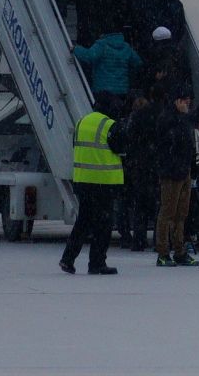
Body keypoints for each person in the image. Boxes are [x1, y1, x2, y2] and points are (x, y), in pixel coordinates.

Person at [60, 103, 126, 276]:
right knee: (103, 225)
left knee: (83, 222)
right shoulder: (109, 125)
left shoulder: (81, 122)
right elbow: (122, 148)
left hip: (83, 180)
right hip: (103, 182)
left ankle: (68, 258)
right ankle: (97, 263)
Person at [153, 87, 199, 267]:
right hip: (171, 171)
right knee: (168, 212)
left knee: (181, 213)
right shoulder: (168, 119)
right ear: (176, 101)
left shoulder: (183, 119)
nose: (187, 102)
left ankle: (179, 250)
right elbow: (172, 140)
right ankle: (163, 252)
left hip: (183, 169)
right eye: (184, 99)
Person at [117, 93, 157, 251]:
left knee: (131, 205)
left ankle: (133, 238)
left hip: (131, 167)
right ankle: (157, 239)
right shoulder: (153, 122)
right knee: (152, 204)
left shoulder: (127, 122)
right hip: (149, 167)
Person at [74, 29, 143, 118]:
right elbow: (138, 62)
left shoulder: (101, 45)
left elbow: (89, 56)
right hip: (122, 91)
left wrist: (76, 49)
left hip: (103, 91)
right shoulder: (126, 47)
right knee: (116, 117)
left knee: (102, 118)